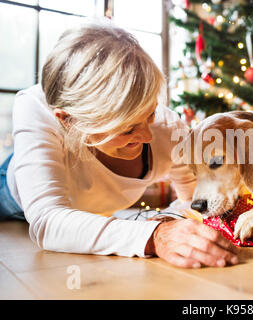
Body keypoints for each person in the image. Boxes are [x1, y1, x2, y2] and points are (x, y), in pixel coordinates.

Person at [0, 23, 238, 268]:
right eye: (128, 128)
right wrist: (154, 236)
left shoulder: (168, 128)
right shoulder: (36, 107)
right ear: (68, 121)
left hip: (89, 213)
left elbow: (194, 200)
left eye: (150, 114)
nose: (147, 136)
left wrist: (172, 220)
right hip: (11, 196)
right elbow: (48, 221)